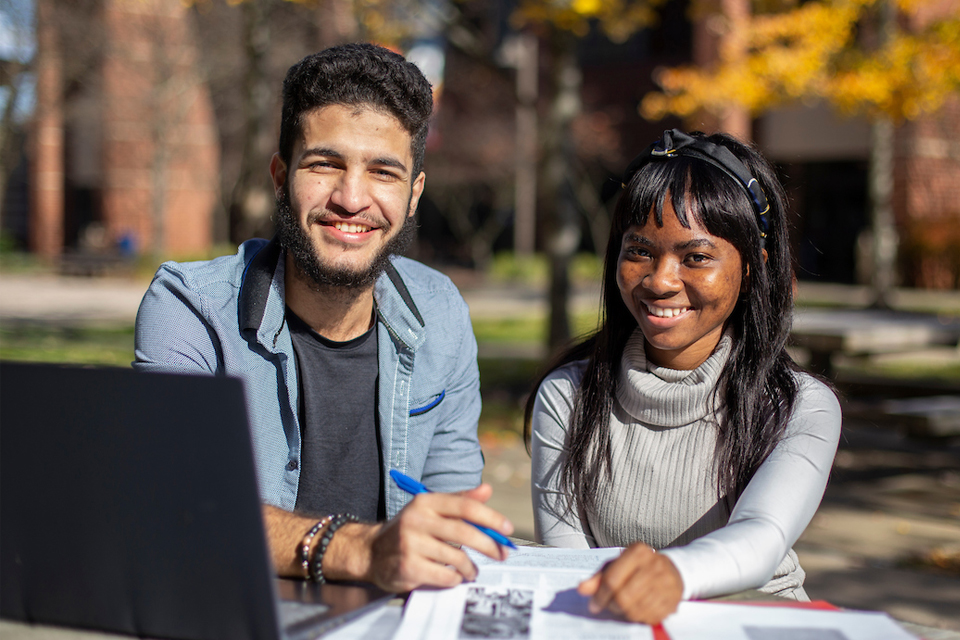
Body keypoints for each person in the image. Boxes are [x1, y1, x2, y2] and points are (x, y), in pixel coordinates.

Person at [134, 43, 513, 593]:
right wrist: (359, 549)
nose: (351, 198)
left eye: (384, 172)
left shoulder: (442, 312)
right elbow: (177, 506)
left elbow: (449, 517)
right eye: (324, 164)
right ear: (280, 175)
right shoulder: (190, 306)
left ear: (413, 196)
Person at [526, 129, 841, 624]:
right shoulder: (568, 395)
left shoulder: (799, 405)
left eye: (696, 257)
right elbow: (568, 563)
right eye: (639, 251)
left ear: (753, 266)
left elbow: (760, 538)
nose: (660, 280)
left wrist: (670, 576)